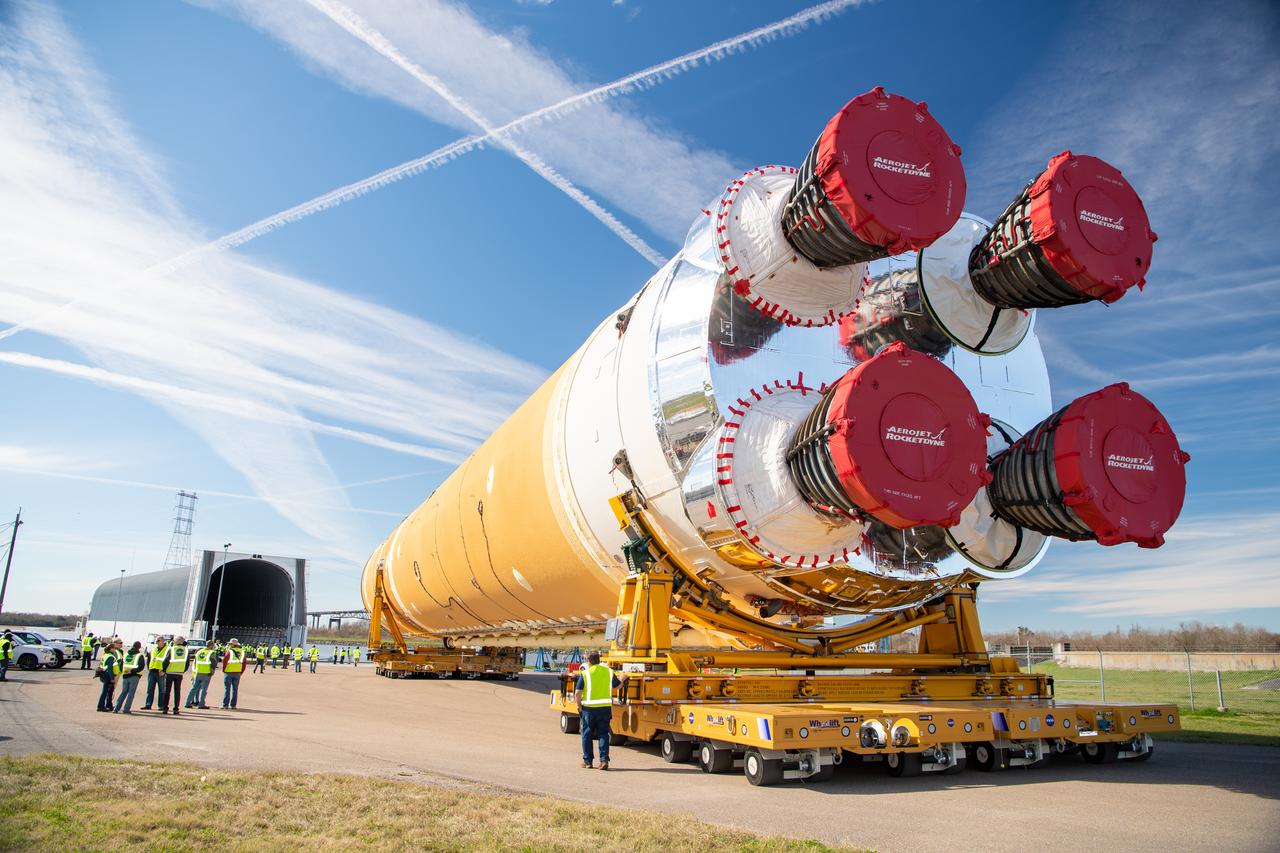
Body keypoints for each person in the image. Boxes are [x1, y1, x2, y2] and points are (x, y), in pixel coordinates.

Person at [574, 651, 621, 770]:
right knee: (603, 734)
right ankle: (604, 760)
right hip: (604, 709)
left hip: (588, 710)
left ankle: (588, 762)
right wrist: (623, 679)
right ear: (599, 660)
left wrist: (579, 705)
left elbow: (578, 693)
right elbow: (617, 686)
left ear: (588, 661)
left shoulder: (585, 674)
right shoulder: (609, 672)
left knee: (586, 735)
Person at [157, 636, 190, 715]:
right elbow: (187, 663)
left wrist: (163, 670)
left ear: (175, 642)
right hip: (179, 673)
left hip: (169, 673)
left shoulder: (171, 649)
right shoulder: (186, 650)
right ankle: (176, 709)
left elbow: (166, 661)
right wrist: (182, 670)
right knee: (177, 692)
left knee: (167, 691)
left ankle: (165, 708)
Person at [113, 641, 145, 713]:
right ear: (139, 647)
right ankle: (126, 709)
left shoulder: (126, 654)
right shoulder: (139, 656)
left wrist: (124, 672)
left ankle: (116, 708)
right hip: (134, 676)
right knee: (131, 693)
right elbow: (141, 667)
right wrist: (132, 671)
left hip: (125, 676)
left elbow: (121, 665)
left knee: (123, 692)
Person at [185, 640, 216, 708]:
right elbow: (213, 664)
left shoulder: (199, 652)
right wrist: (212, 672)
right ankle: (201, 704)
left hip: (198, 672)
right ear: (211, 646)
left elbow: (195, 662)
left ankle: (187, 702)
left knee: (194, 688)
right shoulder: (211, 653)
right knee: (203, 689)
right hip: (206, 673)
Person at [142, 636, 168, 710]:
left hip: (161, 672)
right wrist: (149, 668)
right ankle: (148, 704)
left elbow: (168, 661)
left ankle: (161, 705)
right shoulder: (153, 648)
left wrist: (164, 671)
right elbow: (149, 659)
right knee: (150, 689)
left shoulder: (167, 649)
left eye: (158, 641)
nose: (156, 642)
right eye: (156, 641)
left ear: (162, 641)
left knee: (162, 690)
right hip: (152, 671)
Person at [96, 640, 122, 712]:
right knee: (105, 692)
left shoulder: (105, 655)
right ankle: (101, 706)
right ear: (111, 649)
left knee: (106, 691)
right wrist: (112, 678)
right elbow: (110, 668)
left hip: (104, 674)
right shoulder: (110, 657)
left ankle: (105, 705)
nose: (115, 649)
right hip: (108, 675)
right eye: (114, 648)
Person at [221, 639, 246, 709]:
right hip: (237, 672)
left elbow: (225, 661)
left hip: (228, 672)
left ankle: (225, 705)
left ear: (233, 645)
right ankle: (233, 705)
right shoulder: (242, 652)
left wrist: (224, 670)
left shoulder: (229, 651)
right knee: (235, 689)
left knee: (227, 689)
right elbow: (244, 664)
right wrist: (241, 672)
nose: (229, 645)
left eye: (230, 644)